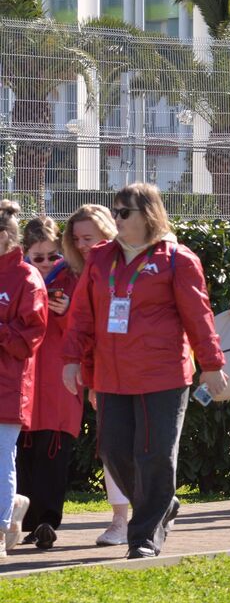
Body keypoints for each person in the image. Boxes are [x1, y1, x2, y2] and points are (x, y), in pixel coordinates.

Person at [61, 185, 227, 558]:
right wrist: (73, 360)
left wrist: (212, 364)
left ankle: (144, 536)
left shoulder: (177, 259)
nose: (116, 219)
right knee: (114, 451)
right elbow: (82, 316)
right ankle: (161, 504)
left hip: (163, 375)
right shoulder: (102, 259)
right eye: (115, 211)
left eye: (124, 212)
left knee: (154, 454)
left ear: (147, 214)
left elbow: (198, 317)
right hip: (112, 375)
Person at [60, 204, 131, 546]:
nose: (83, 245)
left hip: (146, 370)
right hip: (103, 373)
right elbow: (83, 331)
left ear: (108, 233)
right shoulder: (73, 272)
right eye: (76, 239)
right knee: (112, 447)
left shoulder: (136, 264)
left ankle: (158, 502)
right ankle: (120, 520)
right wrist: (89, 376)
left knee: (149, 446)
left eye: (89, 237)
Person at [15, 218, 77, 549]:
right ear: (25, 255)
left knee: (53, 454)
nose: (47, 264)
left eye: (53, 256)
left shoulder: (72, 279)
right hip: (23, 382)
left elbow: (85, 329)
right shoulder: (20, 279)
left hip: (58, 384)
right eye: (38, 257)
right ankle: (26, 520)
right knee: (24, 454)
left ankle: (47, 521)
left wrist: (67, 311)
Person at [0, 203, 46, 558]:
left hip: (7, 386)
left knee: (2, 458)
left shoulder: (27, 279)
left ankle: (1, 531)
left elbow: (29, 339)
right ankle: (12, 504)